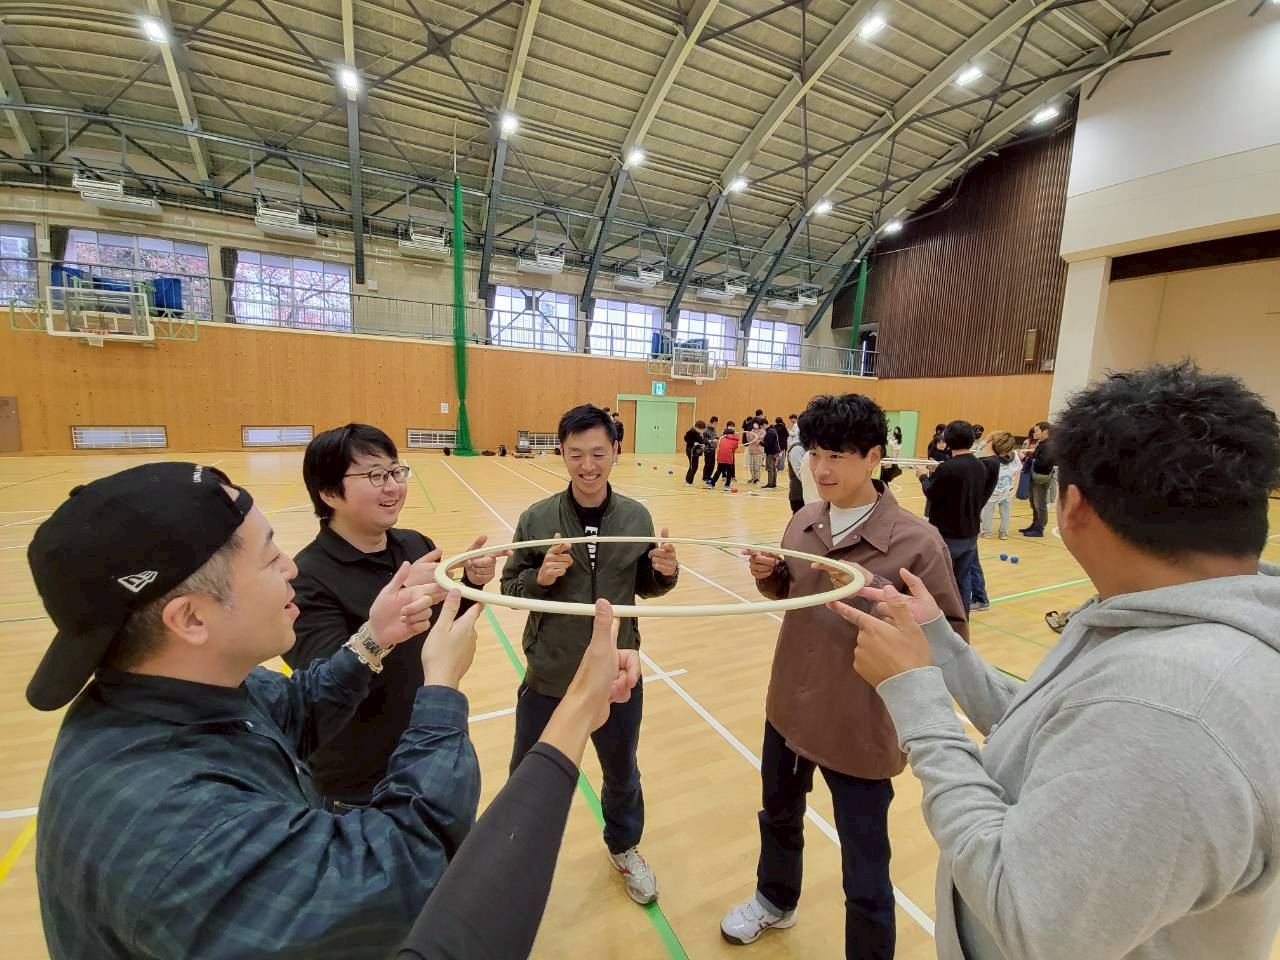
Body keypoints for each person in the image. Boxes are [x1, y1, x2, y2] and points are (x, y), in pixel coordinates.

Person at [832, 361, 1280, 960]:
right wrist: (937, 641)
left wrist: (918, 700)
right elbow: (1042, 726)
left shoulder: (1171, 709)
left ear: (1075, 506)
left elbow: (1029, 921)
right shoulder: (1153, 618)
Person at [27, 462, 485, 959]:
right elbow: (399, 868)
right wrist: (441, 687)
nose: (291, 567)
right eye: (270, 558)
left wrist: (375, 637)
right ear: (191, 618)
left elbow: (296, 709)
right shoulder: (177, 828)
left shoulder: (180, 691)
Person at [720, 394, 966, 959]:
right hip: (789, 705)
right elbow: (790, 594)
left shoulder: (917, 542)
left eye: (837, 455)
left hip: (859, 723)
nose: (821, 469)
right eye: (814, 453)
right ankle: (775, 899)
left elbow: (950, 640)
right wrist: (770, 575)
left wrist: (885, 603)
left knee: (865, 861)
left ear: (874, 457)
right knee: (778, 815)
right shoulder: (804, 520)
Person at [501, 404, 680, 905]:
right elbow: (510, 586)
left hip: (616, 672)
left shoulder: (636, 516)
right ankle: (515, 858)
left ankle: (623, 846)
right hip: (550, 671)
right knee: (529, 773)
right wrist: (540, 578)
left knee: (621, 771)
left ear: (615, 451)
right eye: (576, 453)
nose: (587, 465)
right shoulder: (537, 518)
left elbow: (645, 585)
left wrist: (665, 571)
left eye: (598, 453)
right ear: (561, 452)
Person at [397, 599, 640, 959]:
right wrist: (441, 681)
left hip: (603, 679)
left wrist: (374, 644)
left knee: (621, 772)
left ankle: (624, 846)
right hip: (547, 678)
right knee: (521, 779)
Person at [287, 424, 500, 808]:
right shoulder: (305, 580)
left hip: (429, 750)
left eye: (396, 471)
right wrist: (397, 604)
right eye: (375, 475)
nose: (393, 487)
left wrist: (471, 584)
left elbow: (443, 632)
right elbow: (327, 688)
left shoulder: (415, 545)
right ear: (330, 493)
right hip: (359, 784)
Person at [917, 421, 996, 615]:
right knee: (963, 579)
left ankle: (943, 618)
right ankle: (962, 617)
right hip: (970, 532)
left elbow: (932, 494)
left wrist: (923, 477)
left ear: (948, 440)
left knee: (942, 579)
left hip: (948, 534)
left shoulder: (948, 467)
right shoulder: (980, 466)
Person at [979, 431, 1021, 541]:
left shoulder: (989, 458)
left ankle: (986, 532)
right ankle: (1003, 533)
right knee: (1005, 513)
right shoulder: (1014, 455)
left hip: (993, 492)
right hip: (1007, 490)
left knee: (989, 512)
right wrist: (1014, 489)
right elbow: (1018, 472)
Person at [1022, 420, 1055, 537]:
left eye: (1036, 430)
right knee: (1033, 502)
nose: (1034, 433)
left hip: (1041, 477)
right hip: (1035, 475)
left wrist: (1026, 459)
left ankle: (1040, 528)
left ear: (1045, 431)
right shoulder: (1041, 443)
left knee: (1040, 503)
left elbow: (1044, 462)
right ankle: (1034, 524)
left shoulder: (1049, 445)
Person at [710, 423, 740, 489]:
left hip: (720, 457)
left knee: (718, 470)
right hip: (728, 458)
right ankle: (727, 485)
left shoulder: (722, 439)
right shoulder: (735, 441)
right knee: (729, 472)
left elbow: (721, 446)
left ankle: (712, 484)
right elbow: (734, 449)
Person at [684, 419, 707, 485]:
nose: (701, 430)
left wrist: (702, 443)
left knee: (695, 466)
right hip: (690, 450)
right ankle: (688, 482)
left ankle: (689, 481)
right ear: (697, 427)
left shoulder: (698, 433)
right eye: (701, 429)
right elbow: (686, 438)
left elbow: (700, 441)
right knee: (693, 466)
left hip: (696, 451)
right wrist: (693, 443)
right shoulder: (690, 432)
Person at [761, 417, 782, 488]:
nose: (762, 428)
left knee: (770, 468)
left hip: (771, 452)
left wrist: (760, 442)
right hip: (775, 451)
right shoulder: (773, 429)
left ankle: (770, 483)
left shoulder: (769, 432)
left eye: (761, 426)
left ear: (764, 424)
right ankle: (773, 483)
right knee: (773, 468)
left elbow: (767, 445)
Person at [745, 418, 765, 484]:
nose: (755, 424)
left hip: (759, 451)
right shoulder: (752, 430)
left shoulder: (763, 431)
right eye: (754, 423)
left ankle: (757, 479)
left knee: (757, 466)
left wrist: (753, 437)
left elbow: (758, 440)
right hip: (751, 450)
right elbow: (749, 440)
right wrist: (748, 435)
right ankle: (753, 477)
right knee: (751, 466)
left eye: (756, 423)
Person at [702, 416, 720, 483]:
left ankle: (709, 476)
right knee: (708, 464)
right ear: (711, 422)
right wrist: (712, 441)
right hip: (707, 449)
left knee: (712, 464)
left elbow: (715, 436)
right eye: (714, 423)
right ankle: (705, 477)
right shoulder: (705, 430)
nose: (715, 425)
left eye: (716, 424)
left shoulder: (714, 429)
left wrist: (717, 438)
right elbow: (704, 440)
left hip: (713, 449)